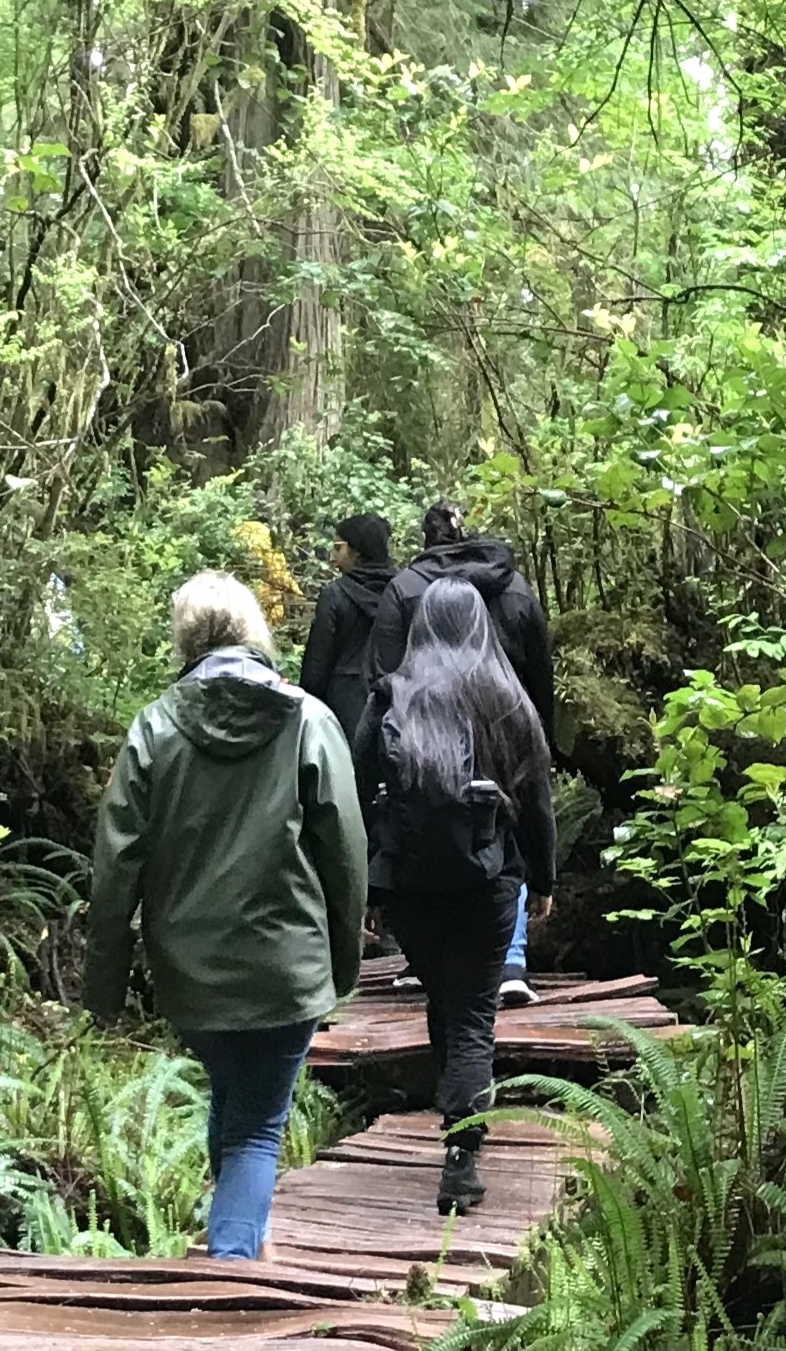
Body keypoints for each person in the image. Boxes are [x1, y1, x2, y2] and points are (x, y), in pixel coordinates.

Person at [85, 571, 367, 1261]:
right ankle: (234, 1269)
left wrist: (106, 987)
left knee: (233, 1095)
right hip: (285, 965)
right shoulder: (308, 719)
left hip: (190, 971)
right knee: (257, 1127)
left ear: (186, 636)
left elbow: (115, 866)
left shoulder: (155, 728)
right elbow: (347, 853)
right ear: (252, 629)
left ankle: (238, 1237)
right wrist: (342, 961)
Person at [353, 577, 556, 1215]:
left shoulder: (388, 699)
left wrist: (363, 885)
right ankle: (462, 1156)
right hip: (489, 882)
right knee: (471, 1011)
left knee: (447, 1000)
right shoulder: (504, 697)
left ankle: (458, 1129)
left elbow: (357, 796)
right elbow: (538, 800)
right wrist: (543, 880)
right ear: (480, 625)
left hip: (410, 886)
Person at [365, 500, 557, 1005]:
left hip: (424, 737)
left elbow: (382, 676)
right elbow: (540, 668)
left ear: (424, 540)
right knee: (503, 834)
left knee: (428, 825)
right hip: (506, 722)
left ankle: (421, 957)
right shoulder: (512, 586)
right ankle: (511, 960)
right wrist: (541, 736)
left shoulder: (405, 589)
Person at [297, 514, 397, 733]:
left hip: (341, 710)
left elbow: (316, 665)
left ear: (357, 550)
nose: (332, 558)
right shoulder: (402, 591)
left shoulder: (334, 595)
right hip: (394, 706)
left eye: (338, 548)